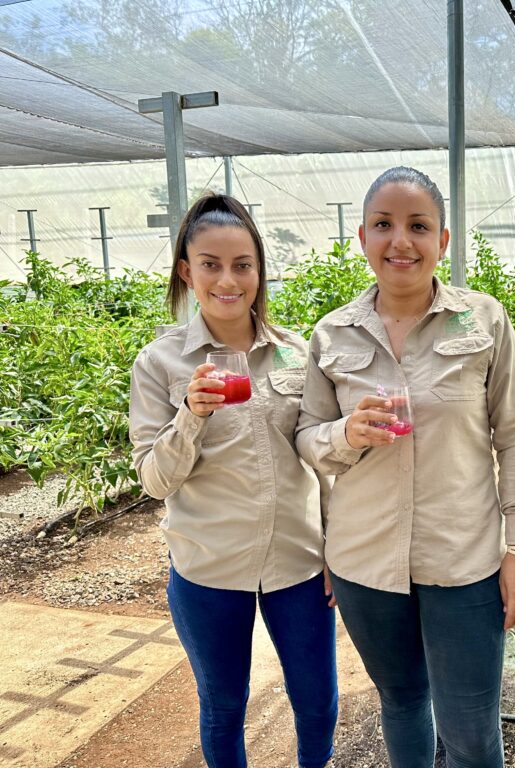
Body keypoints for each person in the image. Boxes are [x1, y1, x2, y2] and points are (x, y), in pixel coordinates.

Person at [295, 166, 515, 768]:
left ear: (443, 241)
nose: (399, 240)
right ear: (362, 237)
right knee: (402, 701)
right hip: (365, 560)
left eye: (418, 226)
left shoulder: (483, 320)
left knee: (471, 727)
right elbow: (306, 437)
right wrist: (346, 434)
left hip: (463, 560)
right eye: (384, 224)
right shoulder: (333, 334)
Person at [129, 193, 337, 768]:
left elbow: (323, 461)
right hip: (209, 569)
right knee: (224, 706)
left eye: (243, 264)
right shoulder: (160, 363)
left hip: (299, 565)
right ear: (186, 272)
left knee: (317, 703)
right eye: (211, 264)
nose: (228, 279)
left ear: (259, 271)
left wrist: (337, 549)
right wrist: (190, 415)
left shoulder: (297, 354)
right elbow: (153, 478)